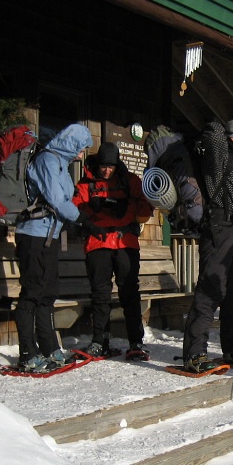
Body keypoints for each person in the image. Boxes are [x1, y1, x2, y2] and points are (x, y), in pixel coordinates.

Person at [14, 123, 104, 372]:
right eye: (81, 148)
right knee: (32, 293)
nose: (81, 154)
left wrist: (82, 218)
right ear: (71, 144)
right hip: (32, 235)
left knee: (47, 293)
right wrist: (83, 220)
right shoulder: (47, 161)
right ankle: (27, 354)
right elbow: (56, 199)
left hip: (49, 236)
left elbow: (64, 201)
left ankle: (49, 348)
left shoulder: (61, 164)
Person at [178, 118, 233, 374]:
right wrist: (220, 122)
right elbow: (213, 134)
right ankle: (194, 354)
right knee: (211, 291)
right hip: (219, 231)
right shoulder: (218, 160)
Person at [72, 142, 153, 361]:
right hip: (98, 243)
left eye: (111, 167)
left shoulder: (129, 181)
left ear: (117, 165)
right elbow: (74, 208)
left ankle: (136, 341)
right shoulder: (86, 183)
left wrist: (132, 207)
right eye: (103, 167)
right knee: (100, 295)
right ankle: (100, 341)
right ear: (97, 164)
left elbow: (145, 205)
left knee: (130, 293)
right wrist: (89, 212)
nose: (107, 171)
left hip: (125, 243)